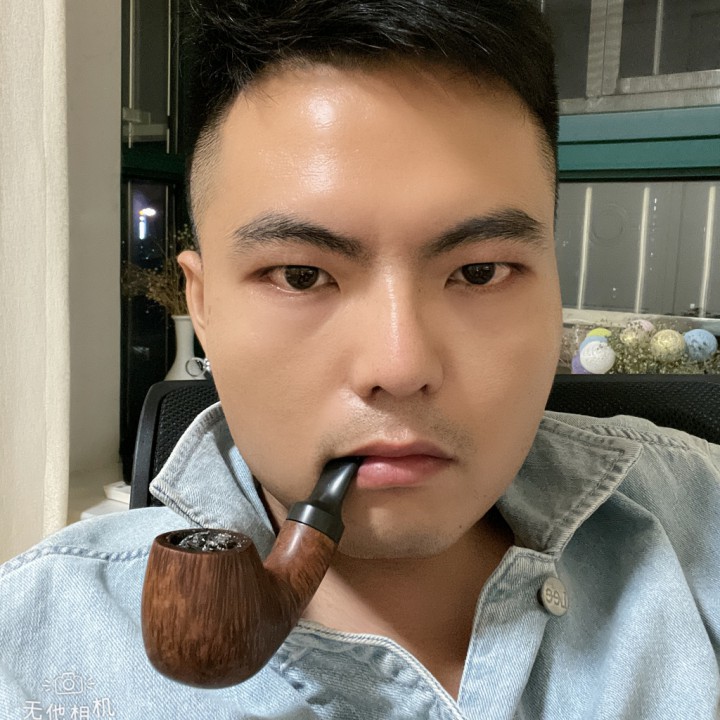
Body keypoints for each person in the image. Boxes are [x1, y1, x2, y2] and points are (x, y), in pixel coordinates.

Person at [2, 0, 719, 717]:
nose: (400, 368)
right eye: (301, 275)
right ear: (204, 306)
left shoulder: (701, 527)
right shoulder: (34, 657)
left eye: (479, 272)